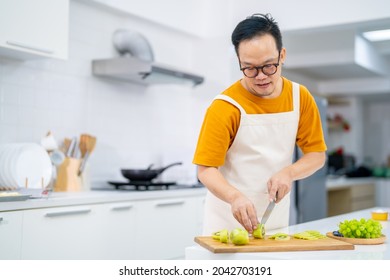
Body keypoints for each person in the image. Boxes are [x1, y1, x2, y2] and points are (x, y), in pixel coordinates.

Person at [193, 13, 327, 235]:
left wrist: (289, 173)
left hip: (275, 220)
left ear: (282, 55)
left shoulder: (300, 97)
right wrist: (234, 196)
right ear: (239, 62)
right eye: (250, 68)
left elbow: (316, 155)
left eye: (268, 66)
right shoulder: (225, 106)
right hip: (226, 224)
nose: (261, 76)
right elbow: (206, 169)